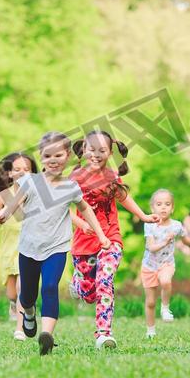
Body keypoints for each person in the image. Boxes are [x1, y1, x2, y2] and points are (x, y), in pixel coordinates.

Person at [0, 132, 110, 355]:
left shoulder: (71, 187)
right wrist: (4, 213)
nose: (53, 159)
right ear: (41, 157)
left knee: (49, 287)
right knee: (27, 295)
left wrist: (101, 235)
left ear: (67, 155)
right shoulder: (29, 181)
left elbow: (85, 208)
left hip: (56, 248)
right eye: (47, 156)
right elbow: (15, 203)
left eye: (58, 155)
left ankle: (46, 335)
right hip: (28, 247)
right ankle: (28, 313)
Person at [68, 130, 159, 349]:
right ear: (83, 150)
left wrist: (144, 216)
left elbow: (123, 197)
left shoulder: (111, 176)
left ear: (110, 153)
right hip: (84, 243)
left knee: (105, 282)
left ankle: (103, 333)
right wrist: (81, 224)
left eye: (102, 151)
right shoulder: (75, 177)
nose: (96, 155)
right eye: (92, 150)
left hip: (110, 239)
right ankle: (79, 284)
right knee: (90, 294)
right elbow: (62, 209)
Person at [0, 152, 38, 341]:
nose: (22, 173)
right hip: (9, 247)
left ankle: (20, 329)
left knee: (23, 285)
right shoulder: (4, 195)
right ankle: (14, 304)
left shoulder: (37, 193)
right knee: (12, 292)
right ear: (9, 174)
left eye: (27, 169)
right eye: (17, 169)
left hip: (30, 247)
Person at [141, 189, 190, 338]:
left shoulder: (176, 226)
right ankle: (150, 331)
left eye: (167, 204)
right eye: (159, 204)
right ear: (152, 208)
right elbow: (151, 247)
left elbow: (185, 239)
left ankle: (165, 308)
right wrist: (165, 240)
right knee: (150, 302)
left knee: (166, 280)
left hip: (166, 264)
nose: (163, 207)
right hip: (149, 266)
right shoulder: (149, 225)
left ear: (172, 208)